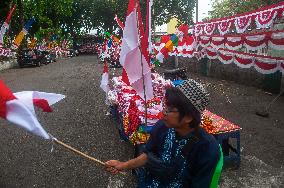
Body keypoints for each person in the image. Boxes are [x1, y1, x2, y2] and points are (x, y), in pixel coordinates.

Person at [106, 79, 221, 187]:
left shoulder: (207, 148)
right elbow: (148, 155)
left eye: (169, 110)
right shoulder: (162, 126)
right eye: (164, 106)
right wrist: (123, 165)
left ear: (188, 117)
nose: (163, 112)